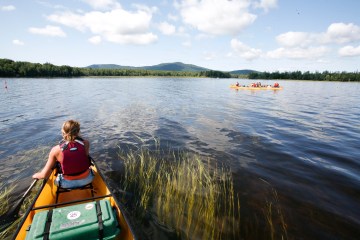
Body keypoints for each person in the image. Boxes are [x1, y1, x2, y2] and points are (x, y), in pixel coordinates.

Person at [32, 120, 94, 188]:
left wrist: (35, 175)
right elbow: (84, 157)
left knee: (56, 168)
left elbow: (44, 175)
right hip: (88, 179)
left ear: (63, 132)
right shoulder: (86, 143)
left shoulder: (55, 150)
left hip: (66, 184)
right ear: (78, 132)